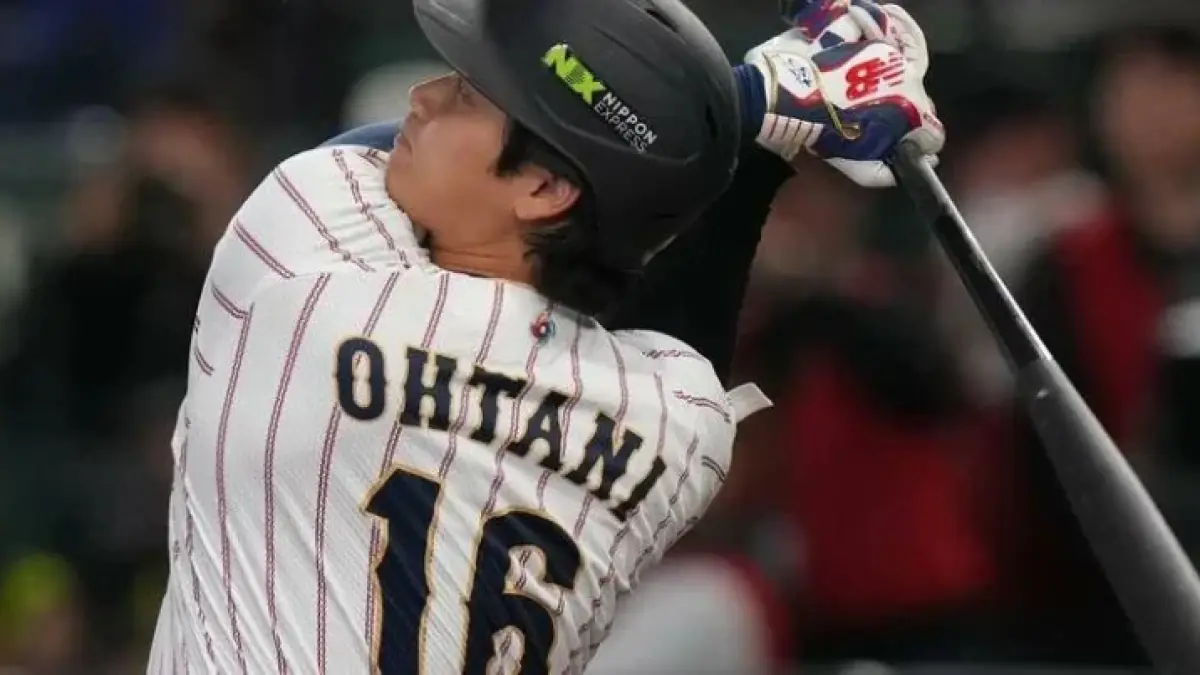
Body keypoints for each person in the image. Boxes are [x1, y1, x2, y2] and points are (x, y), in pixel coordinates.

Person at [145, 0, 942, 672]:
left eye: (468, 95)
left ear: (546, 187)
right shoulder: (677, 423)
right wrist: (753, 136)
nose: (424, 96)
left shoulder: (306, 273)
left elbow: (350, 156)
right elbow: (675, 326)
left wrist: (759, 99)